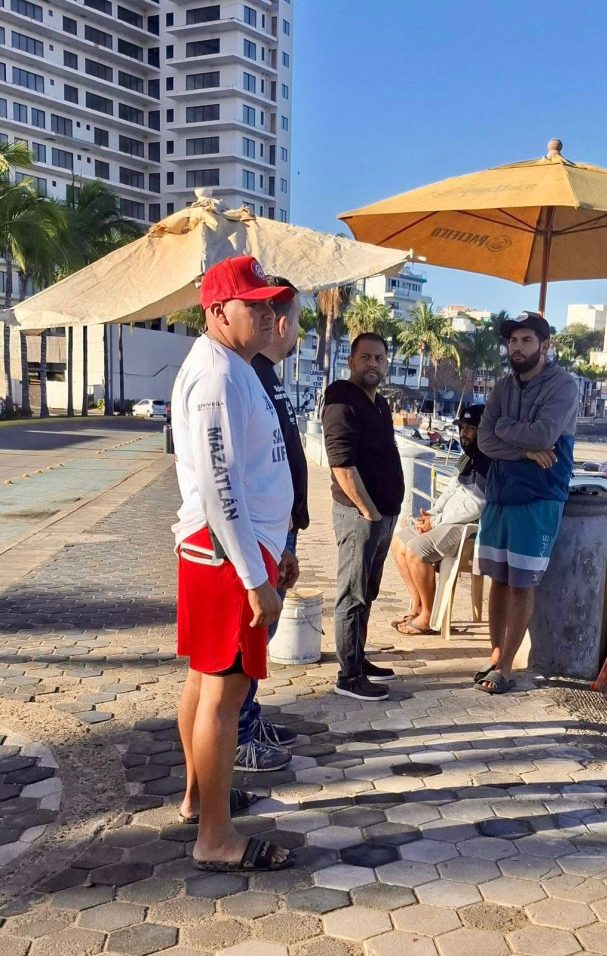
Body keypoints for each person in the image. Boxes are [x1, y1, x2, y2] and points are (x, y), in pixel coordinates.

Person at [172, 255, 296, 872]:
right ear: (221, 312)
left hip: (232, 551)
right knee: (223, 696)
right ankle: (215, 839)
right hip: (227, 559)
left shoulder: (235, 366)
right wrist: (255, 577)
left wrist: (280, 551)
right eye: (257, 306)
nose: (270, 315)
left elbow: (252, 471)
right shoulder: (218, 375)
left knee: (204, 684)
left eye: (273, 305)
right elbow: (223, 487)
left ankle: (200, 800)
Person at [474, 311, 578, 694]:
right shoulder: (503, 386)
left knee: (521, 583)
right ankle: (495, 655)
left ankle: (505, 669)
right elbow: (484, 441)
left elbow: (546, 433)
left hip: (539, 495)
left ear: (545, 346)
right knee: (497, 580)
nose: (517, 348)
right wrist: (525, 451)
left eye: (526, 341)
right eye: (513, 341)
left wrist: (505, 429)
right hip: (500, 492)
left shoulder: (563, 386)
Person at [234, 276, 306, 772]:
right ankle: (236, 734)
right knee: (252, 630)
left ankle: (248, 715)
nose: (298, 330)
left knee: (263, 631)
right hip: (258, 532)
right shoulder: (247, 374)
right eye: (298, 319)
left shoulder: (267, 374)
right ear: (279, 323)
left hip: (278, 529)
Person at [322, 332, 405, 701]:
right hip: (360, 516)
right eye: (366, 357)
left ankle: (358, 658)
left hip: (384, 515)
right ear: (352, 361)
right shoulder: (342, 398)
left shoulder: (380, 404)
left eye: (379, 358)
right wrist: (368, 510)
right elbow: (341, 462)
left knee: (367, 591)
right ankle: (349, 676)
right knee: (352, 594)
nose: (373, 364)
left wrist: (386, 511)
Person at [390, 404, 490, 635]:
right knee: (398, 542)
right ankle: (416, 605)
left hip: (468, 529)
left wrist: (436, 522)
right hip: (446, 522)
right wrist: (433, 515)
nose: (463, 432)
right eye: (462, 427)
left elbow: (477, 505)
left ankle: (429, 616)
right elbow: (450, 491)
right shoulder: (468, 457)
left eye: (470, 428)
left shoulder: (489, 461)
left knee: (416, 551)